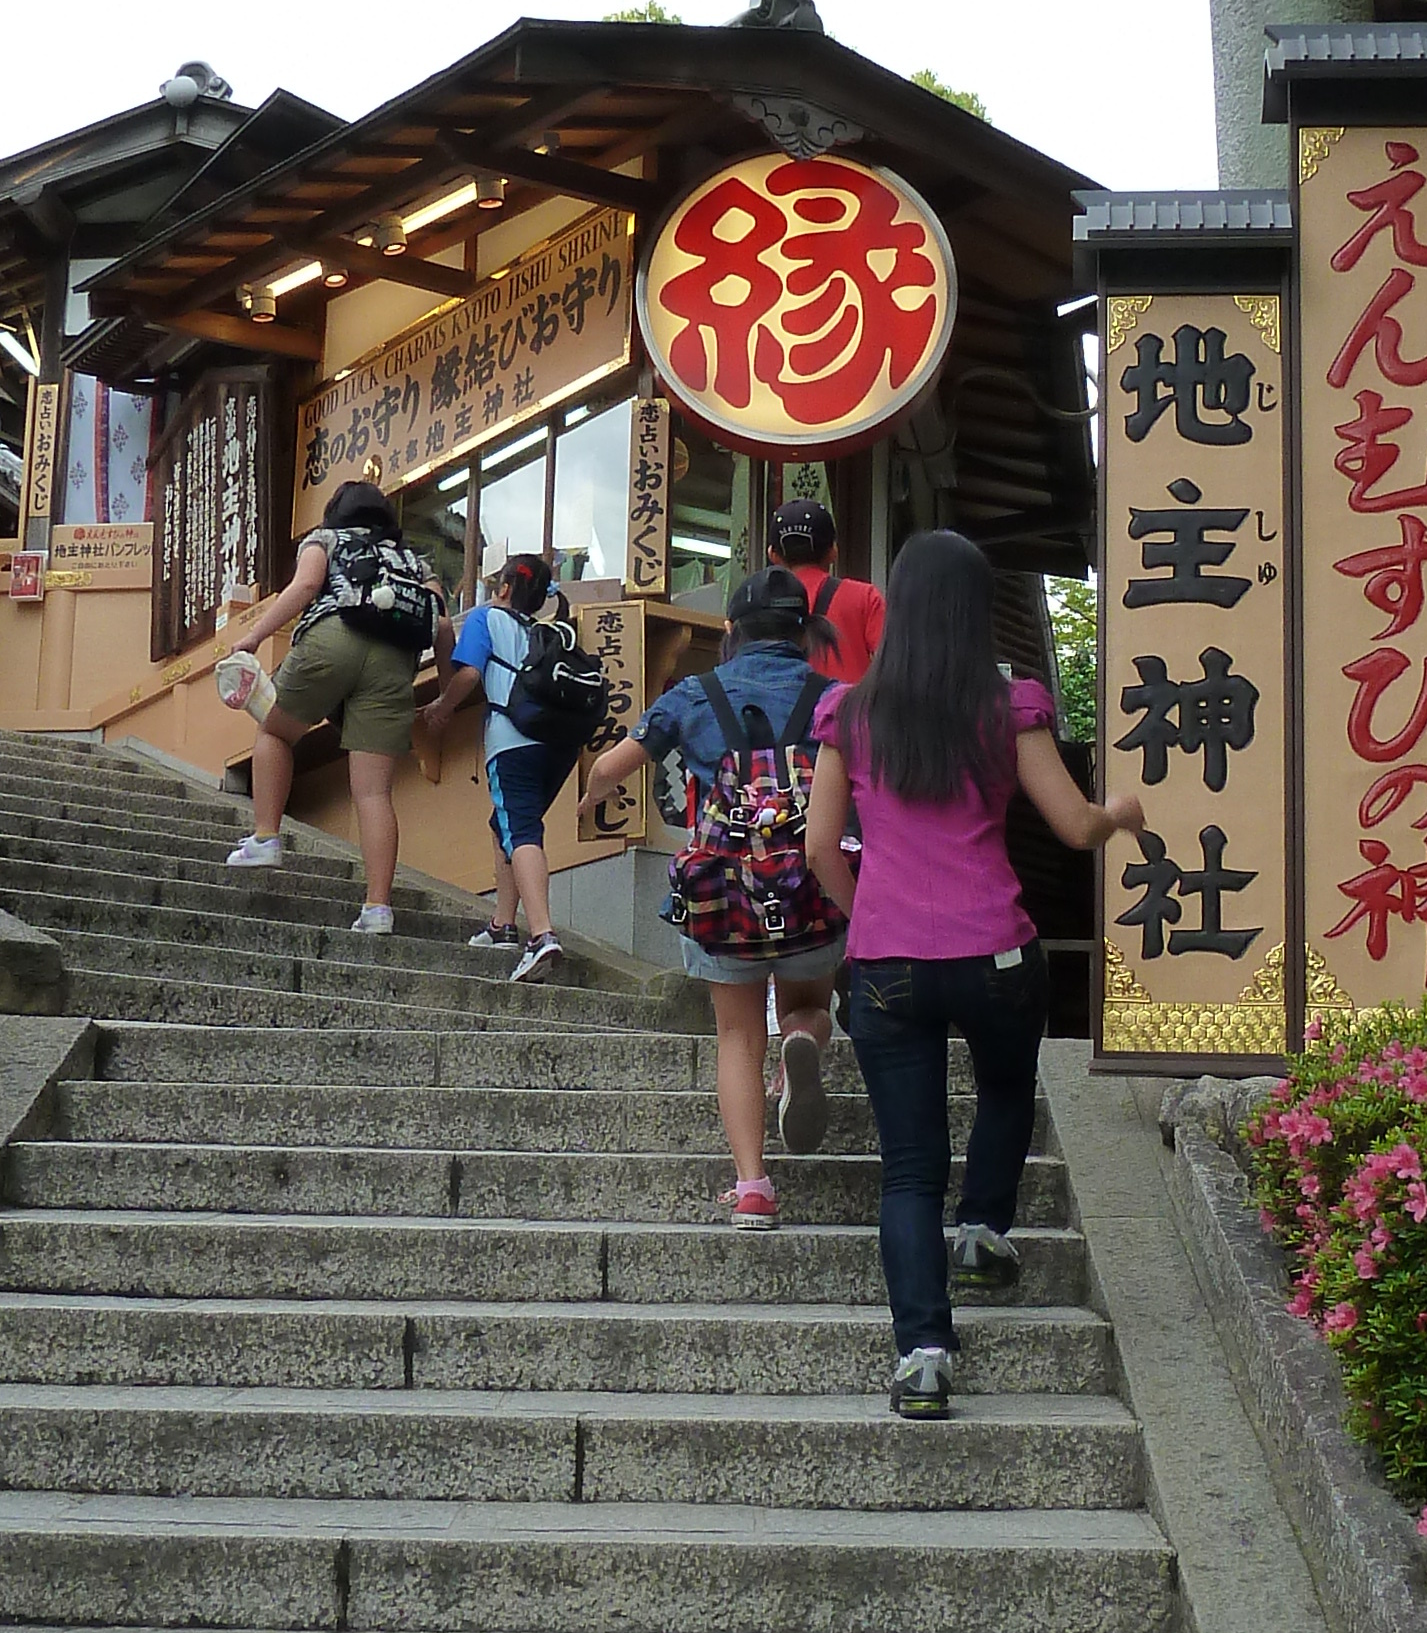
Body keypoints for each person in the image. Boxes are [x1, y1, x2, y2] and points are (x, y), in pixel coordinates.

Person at [807, 527, 1145, 1418]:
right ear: (972, 610)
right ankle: (985, 1226)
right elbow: (1075, 829)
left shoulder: (849, 713)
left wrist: (864, 915)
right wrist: (1121, 813)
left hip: (887, 964)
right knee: (1004, 1088)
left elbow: (816, 848)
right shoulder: (1010, 707)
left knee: (908, 1168)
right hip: (995, 951)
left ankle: (923, 1356)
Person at [582, 565, 845, 1219]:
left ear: (731, 630)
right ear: (805, 631)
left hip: (725, 896)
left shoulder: (695, 695)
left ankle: (753, 1187)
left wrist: (593, 794)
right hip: (812, 888)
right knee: (808, 1006)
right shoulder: (836, 696)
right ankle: (804, 1044)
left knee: (735, 1035)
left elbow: (613, 766)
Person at [213, 478, 439, 938]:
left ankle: (266, 837)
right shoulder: (415, 563)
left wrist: (253, 637)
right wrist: (447, 696)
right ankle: (378, 908)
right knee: (374, 793)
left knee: (276, 732)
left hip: (332, 639)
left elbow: (307, 585)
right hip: (395, 662)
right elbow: (443, 624)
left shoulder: (326, 538)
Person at [419, 551, 574, 983]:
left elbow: (467, 676)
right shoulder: (548, 631)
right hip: (557, 747)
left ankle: (541, 935)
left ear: (504, 588)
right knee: (502, 823)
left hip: (513, 742)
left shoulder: (489, 619)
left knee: (521, 829)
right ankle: (503, 924)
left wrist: (442, 706)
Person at [770, 494, 885, 686]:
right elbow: (894, 662)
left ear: (772, 555)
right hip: (847, 713)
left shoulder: (756, 604)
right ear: (833, 552)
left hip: (779, 713)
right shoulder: (865, 598)